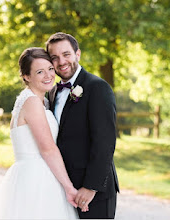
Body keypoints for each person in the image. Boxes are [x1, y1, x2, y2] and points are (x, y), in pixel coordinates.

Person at [0, 47, 81, 219]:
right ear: (27, 76)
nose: (48, 75)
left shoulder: (37, 101)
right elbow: (48, 149)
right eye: (40, 72)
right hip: (37, 178)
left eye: (50, 69)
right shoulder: (32, 102)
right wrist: (69, 187)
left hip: (35, 173)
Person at [46, 32, 119, 219]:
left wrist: (91, 186)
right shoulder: (52, 92)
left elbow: (105, 142)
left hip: (94, 192)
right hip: (64, 188)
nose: (61, 61)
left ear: (77, 54)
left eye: (66, 54)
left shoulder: (97, 87)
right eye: (54, 57)